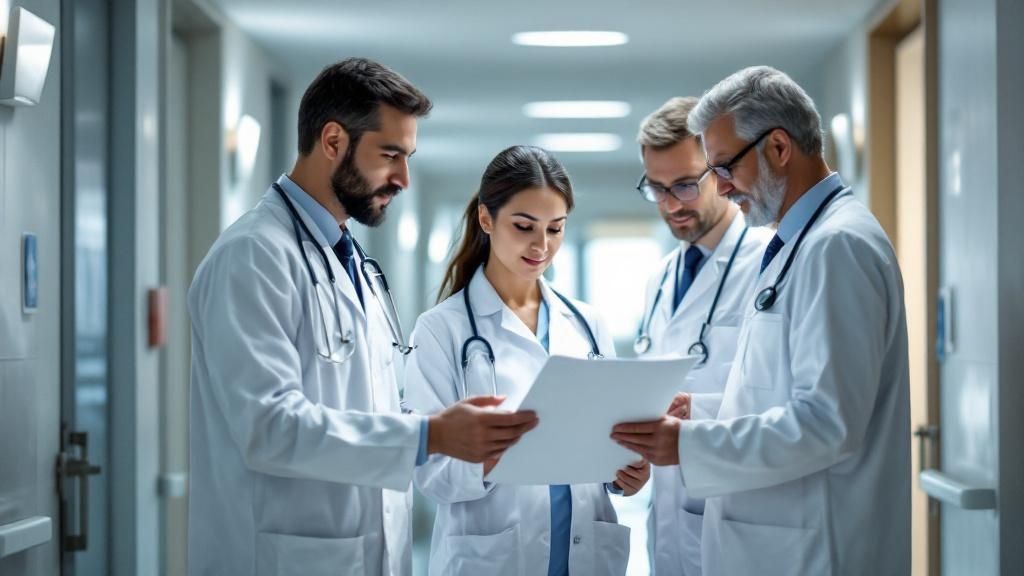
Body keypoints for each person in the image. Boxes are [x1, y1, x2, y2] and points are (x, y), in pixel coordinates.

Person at [187, 58, 538, 576]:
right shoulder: (253, 256)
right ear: (332, 141)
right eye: (390, 155)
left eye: (408, 156)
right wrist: (429, 436)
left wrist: (447, 432)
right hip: (281, 559)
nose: (403, 178)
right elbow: (268, 427)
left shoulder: (354, 266)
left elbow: (366, 409)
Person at [612, 66, 911, 575]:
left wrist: (687, 443)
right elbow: (785, 391)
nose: (722, 188)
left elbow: (828, 424)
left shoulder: (837, 247)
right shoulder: (799, 244)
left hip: (818, 548)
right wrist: (701, 413)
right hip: (777, 542)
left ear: (777, 148)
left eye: (724, 167)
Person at [403, 145, 648, 576]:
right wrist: (497, 456)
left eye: (556, 229)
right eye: (524, 226)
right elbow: (430, 472)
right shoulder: (441, 329)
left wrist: (626, 472)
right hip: (492, 559)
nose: (542, 245)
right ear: (486, 219)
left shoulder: (588, 324)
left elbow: (610, 444)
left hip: (586, 554)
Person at [633, 96, 771, 576]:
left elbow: (791, 403)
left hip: (739, 522)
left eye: (686, 185)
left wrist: (698, 411)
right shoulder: (660, 279)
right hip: (670, 526)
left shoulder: (770, 263)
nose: (671, 205)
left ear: (721, 172)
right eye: (656, 189)